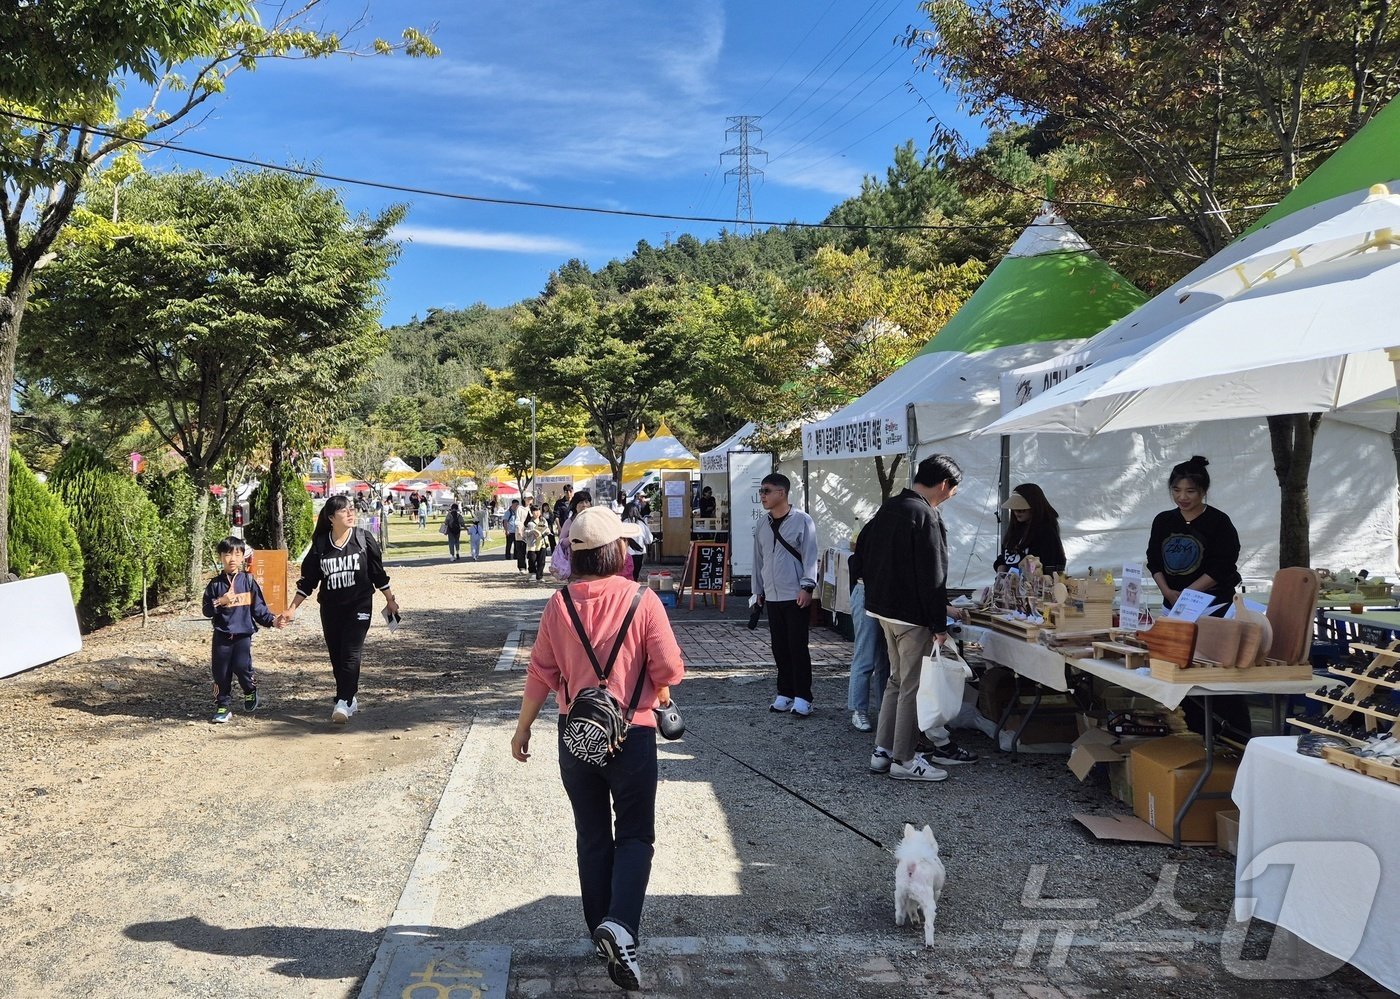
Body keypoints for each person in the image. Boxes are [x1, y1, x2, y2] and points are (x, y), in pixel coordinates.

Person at [511, 507, 685, 992]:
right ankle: (622, 925)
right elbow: (669, 669)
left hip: (576, 734)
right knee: (634, 836)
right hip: (633, 733)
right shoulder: (642, 600)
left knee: (591, 836)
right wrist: (659, 688)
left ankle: (599, 932)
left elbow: (540, 672)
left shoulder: (558, 605)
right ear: (617, 550)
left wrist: (522, 729)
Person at [856, 454, 978, 782]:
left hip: (883, 611)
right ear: (943, 484)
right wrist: (939, 623)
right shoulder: (927, 515)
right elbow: (933, 575)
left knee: (896, 682)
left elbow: (860, 552)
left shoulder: (890, 506)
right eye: (954, 489)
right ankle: (904, 759)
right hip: (911, 617)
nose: (953, 495)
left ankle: (882, 752)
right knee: (911, 686)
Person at [281, 494, 400, 724]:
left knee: (351, 653)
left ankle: (343, 701)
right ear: (331, 517)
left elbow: (377, 573)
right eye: (344, 510)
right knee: (337, 656)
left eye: (351, 508)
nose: (350, 513)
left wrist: (390, 599)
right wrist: (291, 608)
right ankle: (348, 697)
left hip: (360, 605)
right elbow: (308, 581)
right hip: (331, 609)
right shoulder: (321, 545)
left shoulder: (363, 539)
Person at [752, 472, 820, 718]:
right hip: (771, 594)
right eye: (761, 491)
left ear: (782, 493)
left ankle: (803, 696)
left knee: (797, 646)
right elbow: (758, 558)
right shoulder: (763, 523)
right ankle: (785, 692)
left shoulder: (802, 520)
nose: (762, 496)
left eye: (767, 491)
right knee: (779, 646)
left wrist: (807, 586)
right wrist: (757, 590)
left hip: (795, 593)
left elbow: (810, 556)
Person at [1147, 455, 1241, 614]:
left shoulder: (1219, 521)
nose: (1182, 497)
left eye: (1190, 491)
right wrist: (1166, 592)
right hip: (1172, 604)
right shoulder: (1163, 520)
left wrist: (1188, 594)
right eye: (1176, 490)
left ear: (1203, 491)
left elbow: (1223, 565)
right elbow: (1153, 560)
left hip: (1212, 605)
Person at [202, 537, 279, 724]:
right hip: (221, 634)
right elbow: (206, 610)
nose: (232, 559)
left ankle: (250, 690)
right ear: (221, 557)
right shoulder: (214, 585)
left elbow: (259, 610)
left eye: (237, 554)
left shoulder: (249, 581)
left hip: (243, 634)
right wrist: (221, 601)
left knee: (242, 667)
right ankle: (223, 705)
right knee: (220, 672)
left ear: (243, 557)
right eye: (227, 554)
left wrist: (273, 621)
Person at [845, 529, 889, 733]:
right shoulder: (875, 531)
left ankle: (885, 709)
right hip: (866, 592)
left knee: (884, 658)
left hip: (884, 595)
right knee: (866, 655)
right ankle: (858, 709)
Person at [994, 483, 1067, 575]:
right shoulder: (1015, 529)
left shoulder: (1046, 531)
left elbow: (1052, 564)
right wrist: (1001, 569)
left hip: (1035, 586)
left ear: (1034, 508)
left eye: (1022, 509)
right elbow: (1005, 557)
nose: (1017, 513)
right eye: (1014, 509)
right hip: (1010, 585)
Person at [551, 490, 593, 579]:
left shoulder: (595, 520)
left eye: (587, 501)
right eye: (581, 502)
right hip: (575, 563)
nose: (584, 504)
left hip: (593, 562)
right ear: (575, 506)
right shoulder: (569, 522)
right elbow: (561, 543)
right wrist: (572, 537)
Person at [622, 501, 652, 582]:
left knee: (627, 574)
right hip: (639, 553)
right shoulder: (641, 524)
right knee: (635, 574)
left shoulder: (623, 523)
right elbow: (649, 540)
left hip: (626, 554)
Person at [522, 505, 550, 582]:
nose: (537, 513)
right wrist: (532, 531)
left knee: (541, 561)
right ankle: (532, 574)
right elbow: (524, 533)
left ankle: (540, 576)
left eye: (538, 510)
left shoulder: (543, 520)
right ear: (531, 512)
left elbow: (547, 529)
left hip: (542, 543)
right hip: (532, 544)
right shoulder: (529, 522)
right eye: (534, 511)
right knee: (532, 560)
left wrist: (544, 533)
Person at [504, 499, 521, 563]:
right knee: (509, 544)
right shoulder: (508, 512)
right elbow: (505, 521)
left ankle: (515, 556)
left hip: (516, 531)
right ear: (513, 504)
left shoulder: (518, 512)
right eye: (516, 504)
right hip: (510, 531)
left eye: (517, 505)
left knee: (516, 545)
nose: (517, 506)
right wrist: (506, 530)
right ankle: (508, 556)